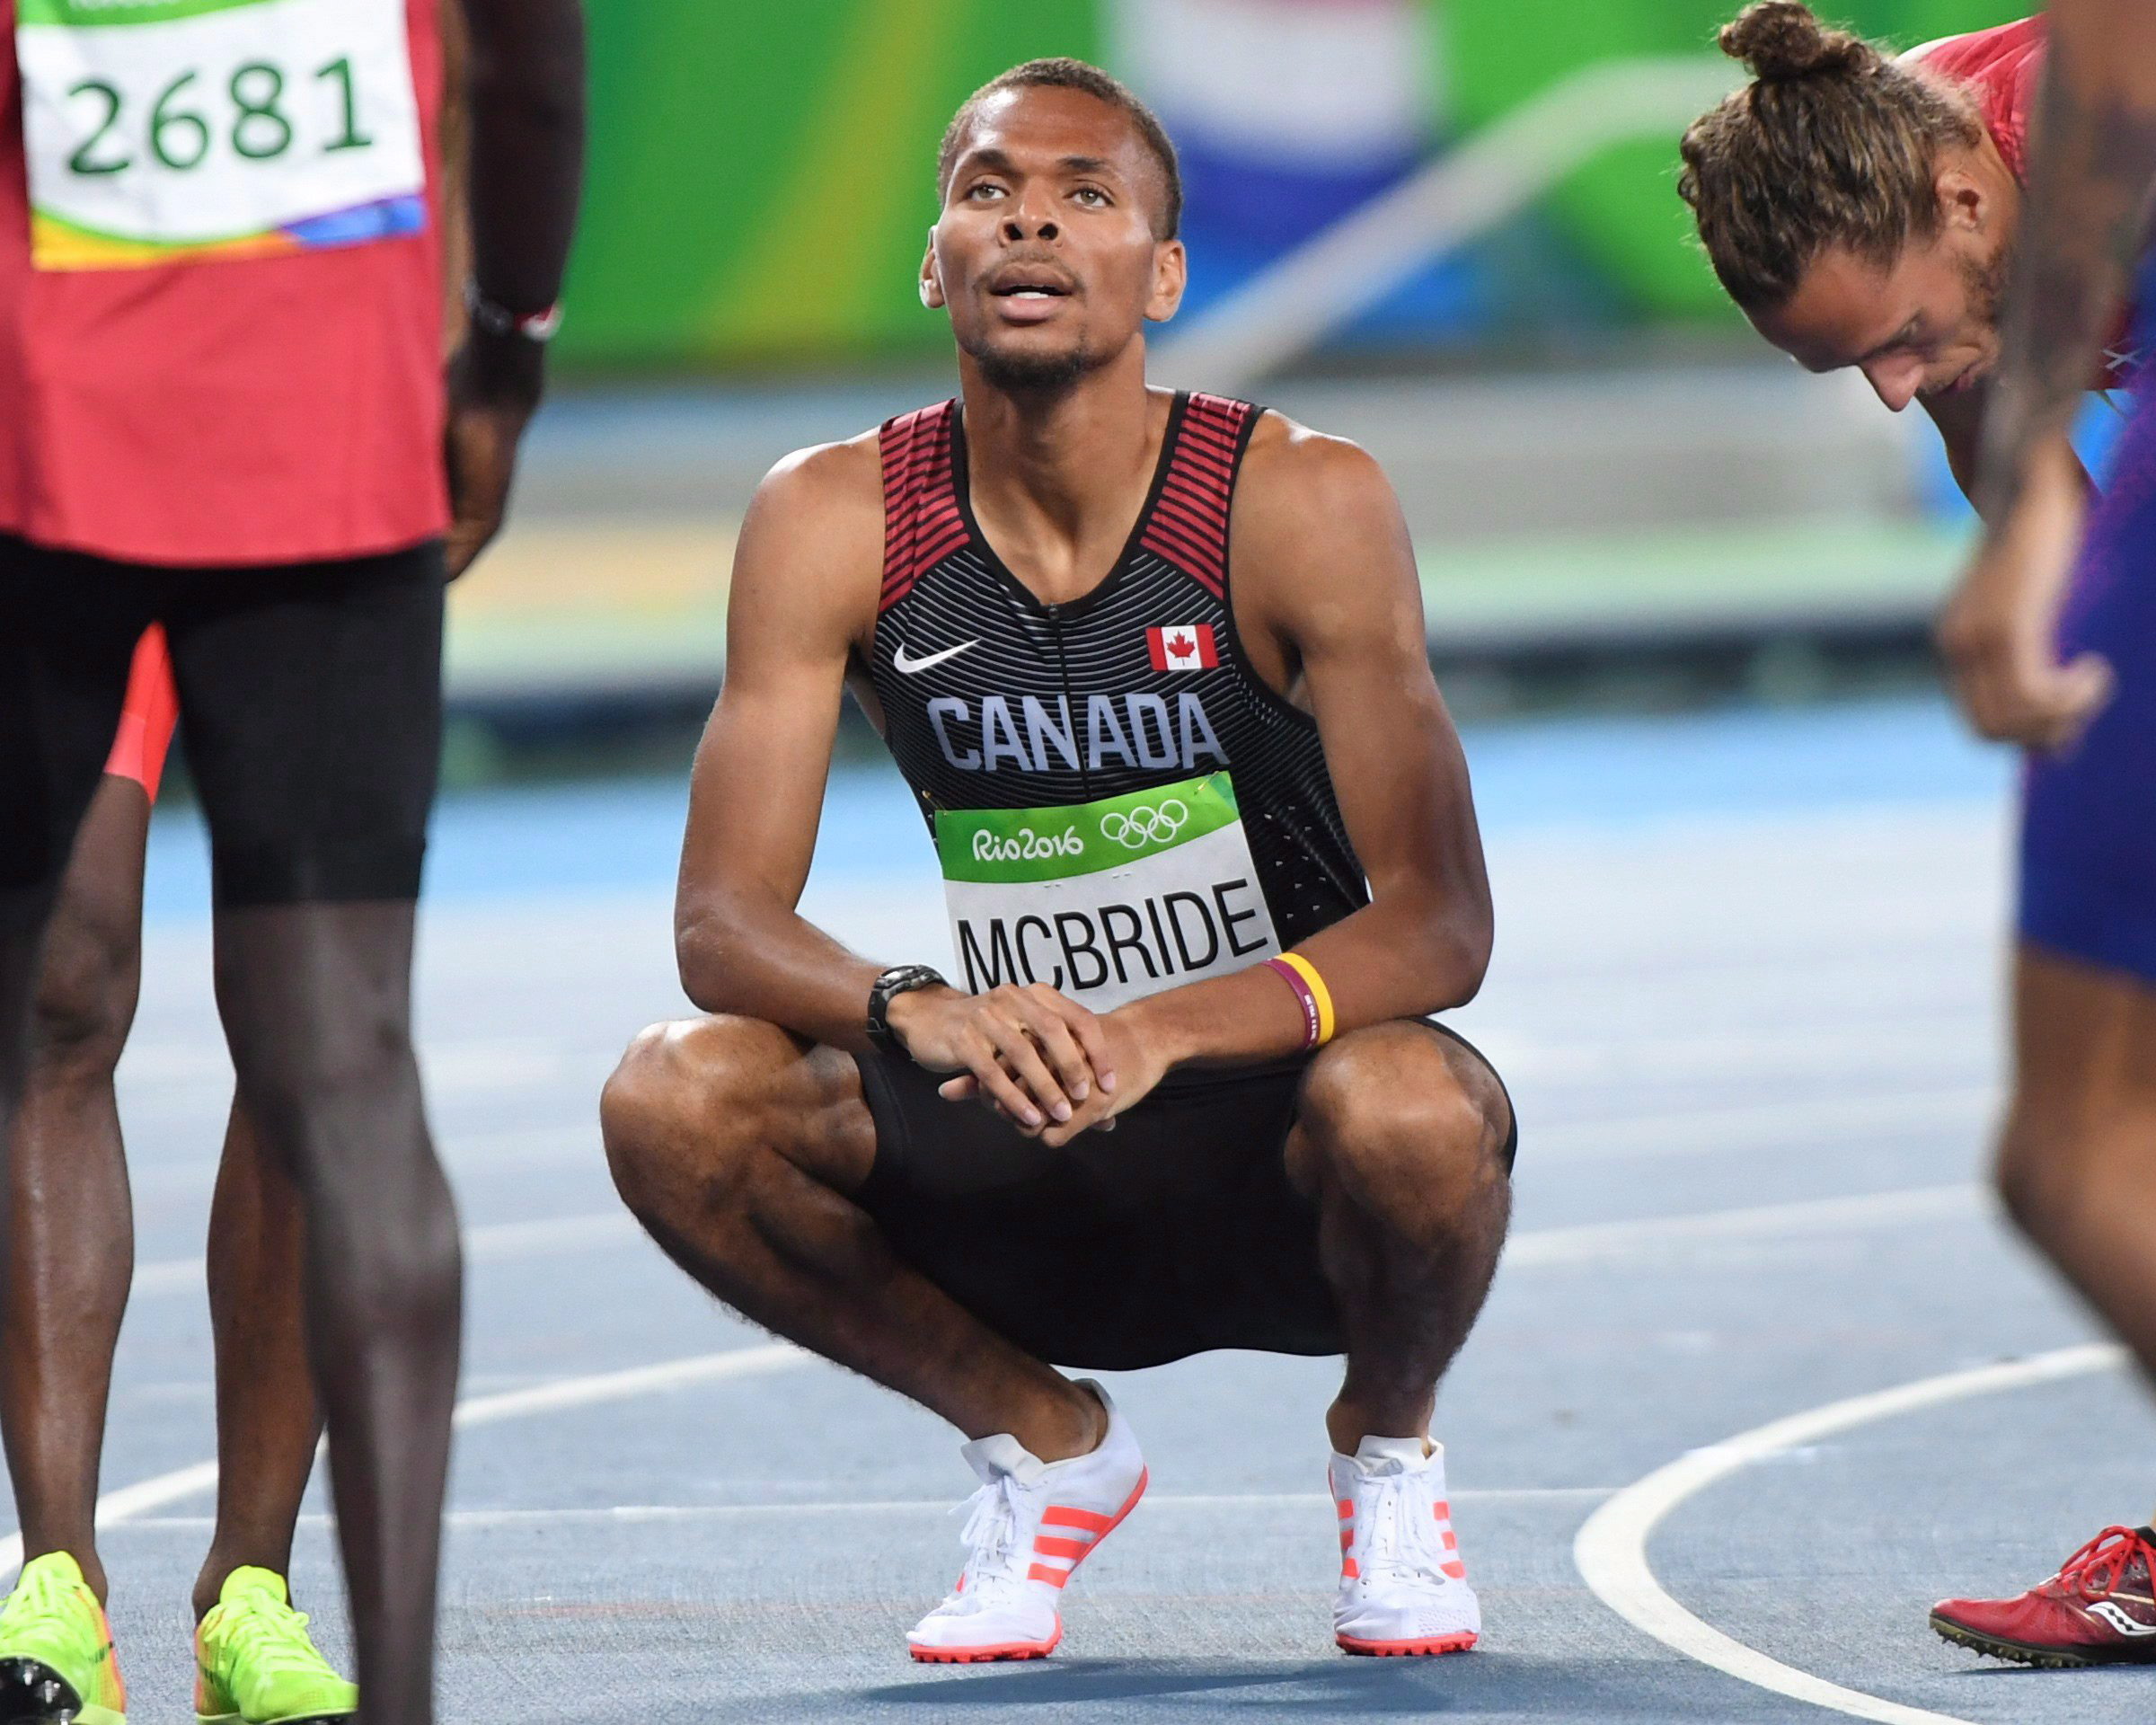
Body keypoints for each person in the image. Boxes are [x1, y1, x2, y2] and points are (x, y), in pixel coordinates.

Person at [598, 57, 1516, 1667]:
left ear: (1163, 272)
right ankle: (1042, 1443)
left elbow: (1440, 924)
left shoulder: (1297, 499)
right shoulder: (831, 517)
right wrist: (918, 1006)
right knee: (673, 1094)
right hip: (1016, 1136)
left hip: (1274, 1146)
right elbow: (719, 921)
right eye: (988, 191)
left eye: (1086, 194)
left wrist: (1161, 1029)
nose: (1030, 219)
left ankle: (1387, 1452)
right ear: (937, 260)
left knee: (1420, 1109)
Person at [0, 1, 585, 1721]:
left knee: (312, 1047)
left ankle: (250, 1587)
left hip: (312, 471)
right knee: (76, 992)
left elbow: (523, 65)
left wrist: (501, 335)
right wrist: (509, 354)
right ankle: (55, 1584)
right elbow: (531, 74)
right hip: (54, 464)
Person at [1682, 0, 2156, 1668]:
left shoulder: (2114, 129)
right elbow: (2037, 508)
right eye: (1847, 370)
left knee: (2083, 1147)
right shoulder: (1915, 157)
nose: (1890, 390)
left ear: (1971, 199)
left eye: (1892, 339)